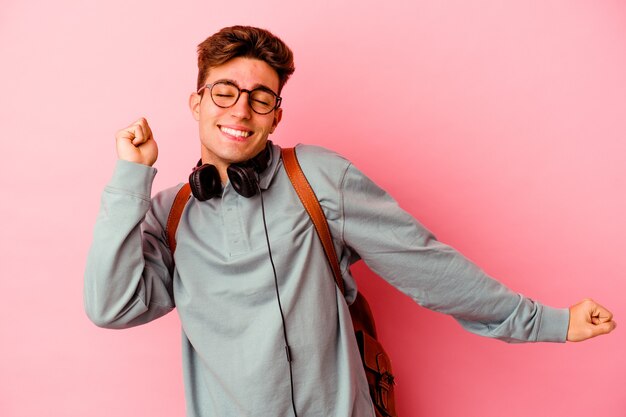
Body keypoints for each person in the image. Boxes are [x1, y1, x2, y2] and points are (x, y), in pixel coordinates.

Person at [84, 25, 616, 417]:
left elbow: (426, 265)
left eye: (260, 97)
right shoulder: (171, 214)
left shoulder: (318, 177)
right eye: (225, 92)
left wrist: (548, 322)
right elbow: (111, 306)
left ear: (276, 115)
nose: (240, 111)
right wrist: (131, 179)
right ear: (197, 102)